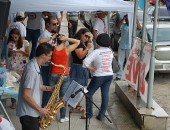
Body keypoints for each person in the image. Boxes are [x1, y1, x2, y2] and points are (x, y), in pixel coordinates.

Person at [16, 43, 54, 130]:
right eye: (49, 56)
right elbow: (26, 95)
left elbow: (36, 86)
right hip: (28, 113)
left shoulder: (35, 65)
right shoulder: (32, 70)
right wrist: (40, 109)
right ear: (43, 55)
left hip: (32, 112)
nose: (50, 58)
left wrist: (51, 88)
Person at [49, 34, 80, 123]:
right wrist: (66, 38)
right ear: (64, 41)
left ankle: (51, 115)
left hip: (53, 74)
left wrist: (53, 38)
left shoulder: (52, 48)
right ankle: (62, 117)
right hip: (64, 74)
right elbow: (78, 42)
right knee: (63, 97)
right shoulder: (66, 49)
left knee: (53, 96)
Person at [83, 33, 113, 121]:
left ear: (98, 42)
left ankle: (89, 113)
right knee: (105, 95)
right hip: (109, 75)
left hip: (99, 76)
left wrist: (91, 68)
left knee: (88, 93)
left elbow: (85, 62)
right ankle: (101, 115)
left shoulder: (96, 52)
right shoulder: (110, 51)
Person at [69, 28, 93, 114]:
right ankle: (75, 105)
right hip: (78, 67)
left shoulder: (81, 43)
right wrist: (88, 48)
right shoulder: (78, 43)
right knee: (78, 87)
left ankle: (75, 104)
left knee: (79, 86)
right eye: (86, 36)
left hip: (81, 66)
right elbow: (80, 56)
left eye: (89, 37)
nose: (87, 38)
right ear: (81, 34)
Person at [38, 16, 59, 107]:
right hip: (45, 65)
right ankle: (44, 106)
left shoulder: (53, 34)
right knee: (47, 86)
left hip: (51, 64)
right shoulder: (45, 34)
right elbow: (40, 42)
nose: (56, 26)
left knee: (50, 86)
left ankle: (47, 105)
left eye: (57, 24)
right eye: (54, 24)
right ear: (48, 24)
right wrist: (52, 37)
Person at [7, 28, 30, 109]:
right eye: (12, 37)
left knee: (23, 85)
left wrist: (21, 52)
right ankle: (13, 103)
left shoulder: (25, 42)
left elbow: (28, 54)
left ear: (19, 36)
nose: (14, 39)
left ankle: (22, 102)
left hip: (22, 66)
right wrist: (11, 51)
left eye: (15, 37)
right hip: (13, 66)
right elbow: (9, 55)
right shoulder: (11, 43)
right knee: (13, 84)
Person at [115, 14, 141, 80]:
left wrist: (136, 19)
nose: (127, 20)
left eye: (128, 19)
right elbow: (117, 27)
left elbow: (140, 28)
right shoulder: (123, 25)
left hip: (130, 46)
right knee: (120, 61)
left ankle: (128, 75)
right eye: (126, 19)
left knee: (129, 61)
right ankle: (119, 75)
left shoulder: (133, 26)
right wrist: (123, 18)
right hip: (122, 45)